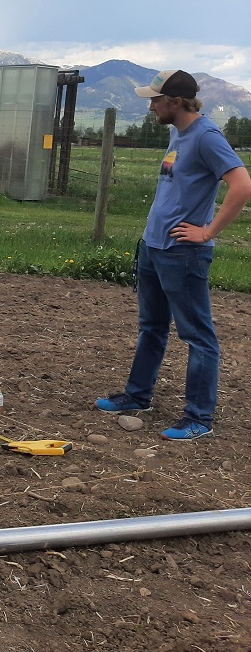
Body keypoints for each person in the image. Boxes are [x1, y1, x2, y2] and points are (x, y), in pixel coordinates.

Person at [95, 70, 251, 440]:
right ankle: (137, 396)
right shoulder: (177, 133)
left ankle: (199, 418)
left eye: (155, 99)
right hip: (154, 247)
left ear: (176, 102)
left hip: (183, 253)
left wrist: (207, 231)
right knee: (152, 326)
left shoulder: (207, 136)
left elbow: (242, 185)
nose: (150, 106)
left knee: (197, 336)